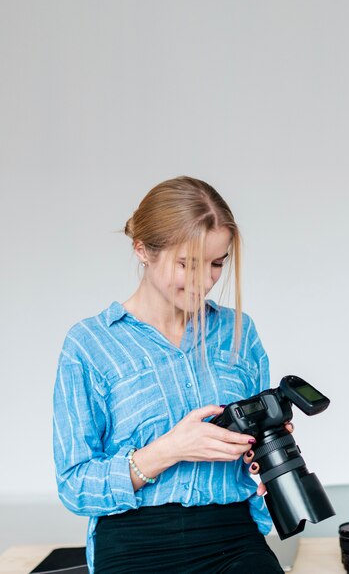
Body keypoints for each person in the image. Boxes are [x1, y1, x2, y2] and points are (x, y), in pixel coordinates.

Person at [53, 176, 286, 573]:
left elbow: (256, 453)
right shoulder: (90, 345)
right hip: (135, 541)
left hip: (232, 537)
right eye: (187, 264)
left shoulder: (238, 333)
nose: (206, 280)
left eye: (216, 264)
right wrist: (171, 449)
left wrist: (268, 442)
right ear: (142, 250)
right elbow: (75, 485)